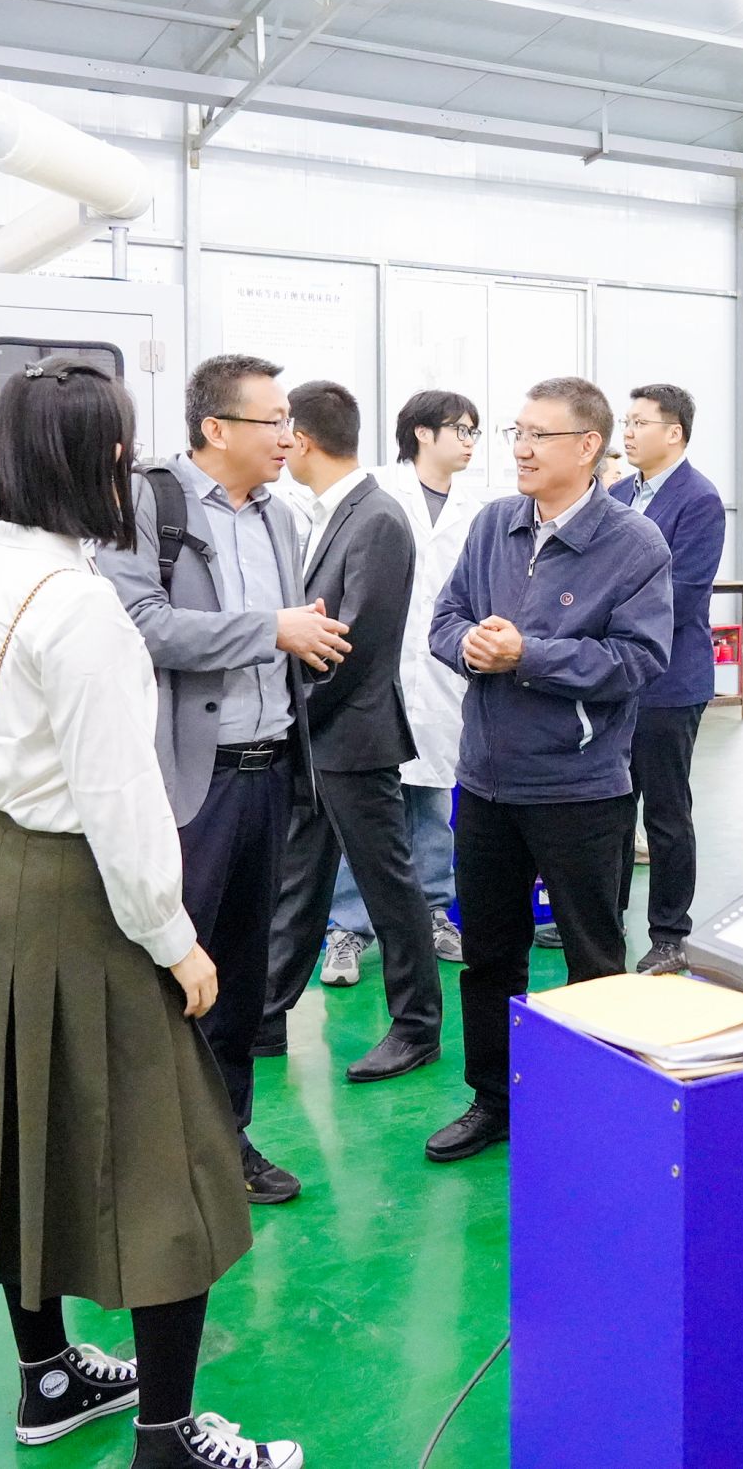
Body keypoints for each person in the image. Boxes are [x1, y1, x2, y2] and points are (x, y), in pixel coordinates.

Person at [0, 358, 300, 1469]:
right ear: (101, 461)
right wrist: (175, 938)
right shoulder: (80, 604)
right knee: (173, 1161)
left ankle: (48, 1376)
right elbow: (118, 796)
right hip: (82, 890)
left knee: (29, 1133)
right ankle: (169, 1437)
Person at [99, 353, 348, 1210]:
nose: (288, 436)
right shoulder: (148, 502)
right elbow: (139, 624)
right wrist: (267, 631)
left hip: (267, 770)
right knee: (173, 968)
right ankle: (149, 1152)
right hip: (188, 779)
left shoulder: (280, 516)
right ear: (215, 428)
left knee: (242, 977)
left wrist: (300, 639)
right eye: (271, 421)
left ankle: (224, 1140)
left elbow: (282, 629)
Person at [423, 378, 673, 1163]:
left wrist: (527, 654)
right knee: (490, 955)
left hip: (579, 787)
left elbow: (639, 660)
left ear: (588, 446)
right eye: (518, 433)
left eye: (540, 435)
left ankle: (604, 1106)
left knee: (593, 959)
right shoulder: (494, 524)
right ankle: (494, 1099)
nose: (522, 450)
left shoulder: (634, 545)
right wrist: (469, 645)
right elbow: (444, 618)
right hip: (486, 782)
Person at [257, 381, 443, 1084]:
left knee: (389, 886)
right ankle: (266, 1014)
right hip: (319, 737)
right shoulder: (330, 513)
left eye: (284, 430)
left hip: (353, 737)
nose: (279, 444)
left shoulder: (377, 519)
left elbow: (353, 646)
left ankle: (417, 1027)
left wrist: (289, 712)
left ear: (303, 439)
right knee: (300, 884)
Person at [312, 392, 483, 985]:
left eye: (474, 431)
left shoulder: (477, 509)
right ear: (422, 433)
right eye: (460, 429)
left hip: (441, 678)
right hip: (373, 675)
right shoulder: (376, 495)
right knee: (362, 815)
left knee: (433, 806)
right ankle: (347, 930)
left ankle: (433, 912)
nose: (469, 441)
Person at [609, 384, 726, 974]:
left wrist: (603, 613)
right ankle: (604, 918)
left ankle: (670, 935)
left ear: (674, 432)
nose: (628, 432)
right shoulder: (618, 493)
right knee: (610, 807)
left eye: (640, 422)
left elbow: (682, 594)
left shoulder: (698, 500)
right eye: (626, 422)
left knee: (665, 811)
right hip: (614, 677)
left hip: (668, 681)